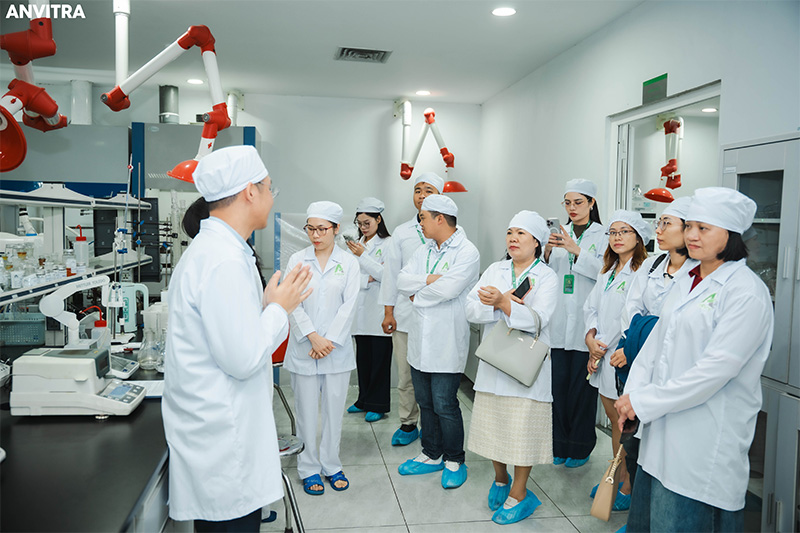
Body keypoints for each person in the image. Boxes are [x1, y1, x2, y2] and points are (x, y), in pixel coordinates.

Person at [163, 145, 312, 532]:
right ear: (250, 192)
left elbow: (233, 334)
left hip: (220, 438)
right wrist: (279, 309)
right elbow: (243, 358)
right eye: (269, 188)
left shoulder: (222, 252)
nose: (271, 197)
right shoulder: (223, 260)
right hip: (224, 446)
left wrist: (265, 308)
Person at [618, 188, 774, 532]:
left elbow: (714, 371)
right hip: (660, 434)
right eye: (690, 226)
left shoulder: (746, 292)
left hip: (703, 441)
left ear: (731, 235)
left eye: (703, 228)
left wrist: (644, 401)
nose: (691, 235)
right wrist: (632, 397)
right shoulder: (688, 280)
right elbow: (655, 347)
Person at [465, 211, 559, 525]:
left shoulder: (546, 276)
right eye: (510, 233)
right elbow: (470, 308)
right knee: (494, 426)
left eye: (521, 233)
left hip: (526, 364)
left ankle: (519, 492)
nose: (513, 239)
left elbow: (540, 318)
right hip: (496, 360)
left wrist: (504, 304)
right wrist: (494, 306)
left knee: (521, 432)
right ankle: (500, 478)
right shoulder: (495, 269)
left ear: (537, 242)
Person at [395, 194, 480, 489]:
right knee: (426, 402)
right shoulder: (424, 250)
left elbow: (450, 289)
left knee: (445, 403)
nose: (420, 223)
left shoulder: (467, 251)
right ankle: (431, 453)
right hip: (420, 340)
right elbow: (402, 280)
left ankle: (455, 459)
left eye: (423, 217)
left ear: (439, 219)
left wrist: (418, 293)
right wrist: (430, 279)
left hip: (447, 341)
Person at [284, 201, 360, 496]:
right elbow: (291, 301)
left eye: (322, 229)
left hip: (335, 349)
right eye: (310, 228)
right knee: (306, 412)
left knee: (333, 411)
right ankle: (308, 468)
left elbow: (350, 305)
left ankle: (331, 464)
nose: (315, 235)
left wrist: (328, 340)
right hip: (305, 346)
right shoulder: (297, 260)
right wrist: (313, 336)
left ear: (336, 228)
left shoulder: (349, 263)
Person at [584, 209, 652, 510]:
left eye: (624, 232)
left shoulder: (644, 271)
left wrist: (612, 346)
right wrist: (591, 339)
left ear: (638, 237)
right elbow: (591, 308)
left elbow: (641, 316)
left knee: (625, 426)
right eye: (613, 232)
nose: (617, 237)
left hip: (625, 357)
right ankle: (615, 475)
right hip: (603, 354)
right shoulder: (607, 270)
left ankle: (625, 483)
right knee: (614, 421)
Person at [544, 178, 606, 468]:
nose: (572, 208)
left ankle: (580, 448)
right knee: (557, 389)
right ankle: (559, 444)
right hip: (558, 324)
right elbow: (546, 275)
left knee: (582, 392)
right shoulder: (559, 233)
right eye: (567, 203)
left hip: (585, 324)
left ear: (591, 203)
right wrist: (546, 252)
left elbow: (605, 272)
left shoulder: (603, 235)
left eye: (578, 202)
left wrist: (577, 250)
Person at [380, 172, 444, 446]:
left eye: (428, 190)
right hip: (406, 316)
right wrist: (388, 312)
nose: (422, 195)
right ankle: (408, 423)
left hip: (440, 318)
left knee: (436, 377)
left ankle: (436, 426)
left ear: (440, 196)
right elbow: (391, 275)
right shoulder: (402, 232)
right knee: (406, 376)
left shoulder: (451, 232)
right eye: (418, 190)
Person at [346, 197, 393, 422]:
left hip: (379, 309)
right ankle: (363, 399)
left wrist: (364, 259)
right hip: (359, 310)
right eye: (360, 223)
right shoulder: (355, 244)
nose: (363, 227)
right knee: (363, 357)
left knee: (379, 360)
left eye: (367, 223)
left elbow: (387, 275)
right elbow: (348, 276)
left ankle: (378, 403)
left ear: (378, 219)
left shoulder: (389, 244)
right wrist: (368, 278)